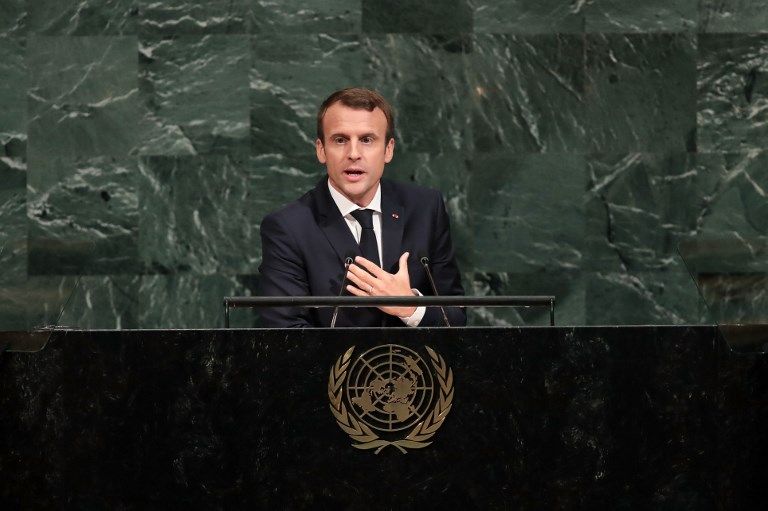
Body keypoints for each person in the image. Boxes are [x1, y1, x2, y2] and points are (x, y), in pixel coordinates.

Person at [258, 87, 466, 327]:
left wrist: (409, 306)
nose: (353, 154)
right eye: (340, 140)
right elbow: (285, 333)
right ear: (321, 150)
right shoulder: (288, 227)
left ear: (388, 150)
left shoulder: (426, 209)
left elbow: (457, 316)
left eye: (367, 140)